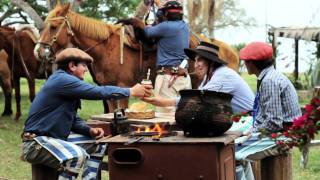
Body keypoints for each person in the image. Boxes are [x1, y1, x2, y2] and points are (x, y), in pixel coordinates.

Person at [21, 48, 152, 180]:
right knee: (76, 155)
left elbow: (71, 119)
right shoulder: (62, 80)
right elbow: (98, 92)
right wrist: (130, 91)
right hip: (36, 143)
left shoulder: (64, 81)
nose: (87, 70)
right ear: (72, 66)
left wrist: (89, 130)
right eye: (84, 65)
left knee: (99, 144)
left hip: (53, 139)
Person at [119, 0, 191, 113]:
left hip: (167, 79)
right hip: (184, 78)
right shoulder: (185, 26)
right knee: (184, 114)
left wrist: (135, 22)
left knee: (165, 116)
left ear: (166, 14)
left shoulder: (165, 27)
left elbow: (145, 32)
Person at [142, 41, 255, 114]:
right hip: (235, 119)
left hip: (248, 121)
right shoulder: (208, 77)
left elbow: (199, 100)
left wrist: (162, 101)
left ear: (210, 61)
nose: (196, 65)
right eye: (195, 60)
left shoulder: (223, 75)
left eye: (200, 60)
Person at [239, 41, 302, 133]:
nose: (244, 64)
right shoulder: (269, 76)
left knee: (236, 144)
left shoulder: (269, 81)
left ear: (251, 63)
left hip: (284, 133)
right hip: (279, 129)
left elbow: (274, 123)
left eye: (245, 60)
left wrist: (251, 132)